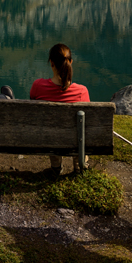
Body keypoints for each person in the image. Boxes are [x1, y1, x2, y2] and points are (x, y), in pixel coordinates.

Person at [29, 42, 90, 176]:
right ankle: (79, 166)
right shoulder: (82, 91)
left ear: (51, 63)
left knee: (52, 128)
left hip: (49, 139)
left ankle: (56, 167)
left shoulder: (37, 86)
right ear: (70, 62)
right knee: (79, 129)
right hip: (75, 141)